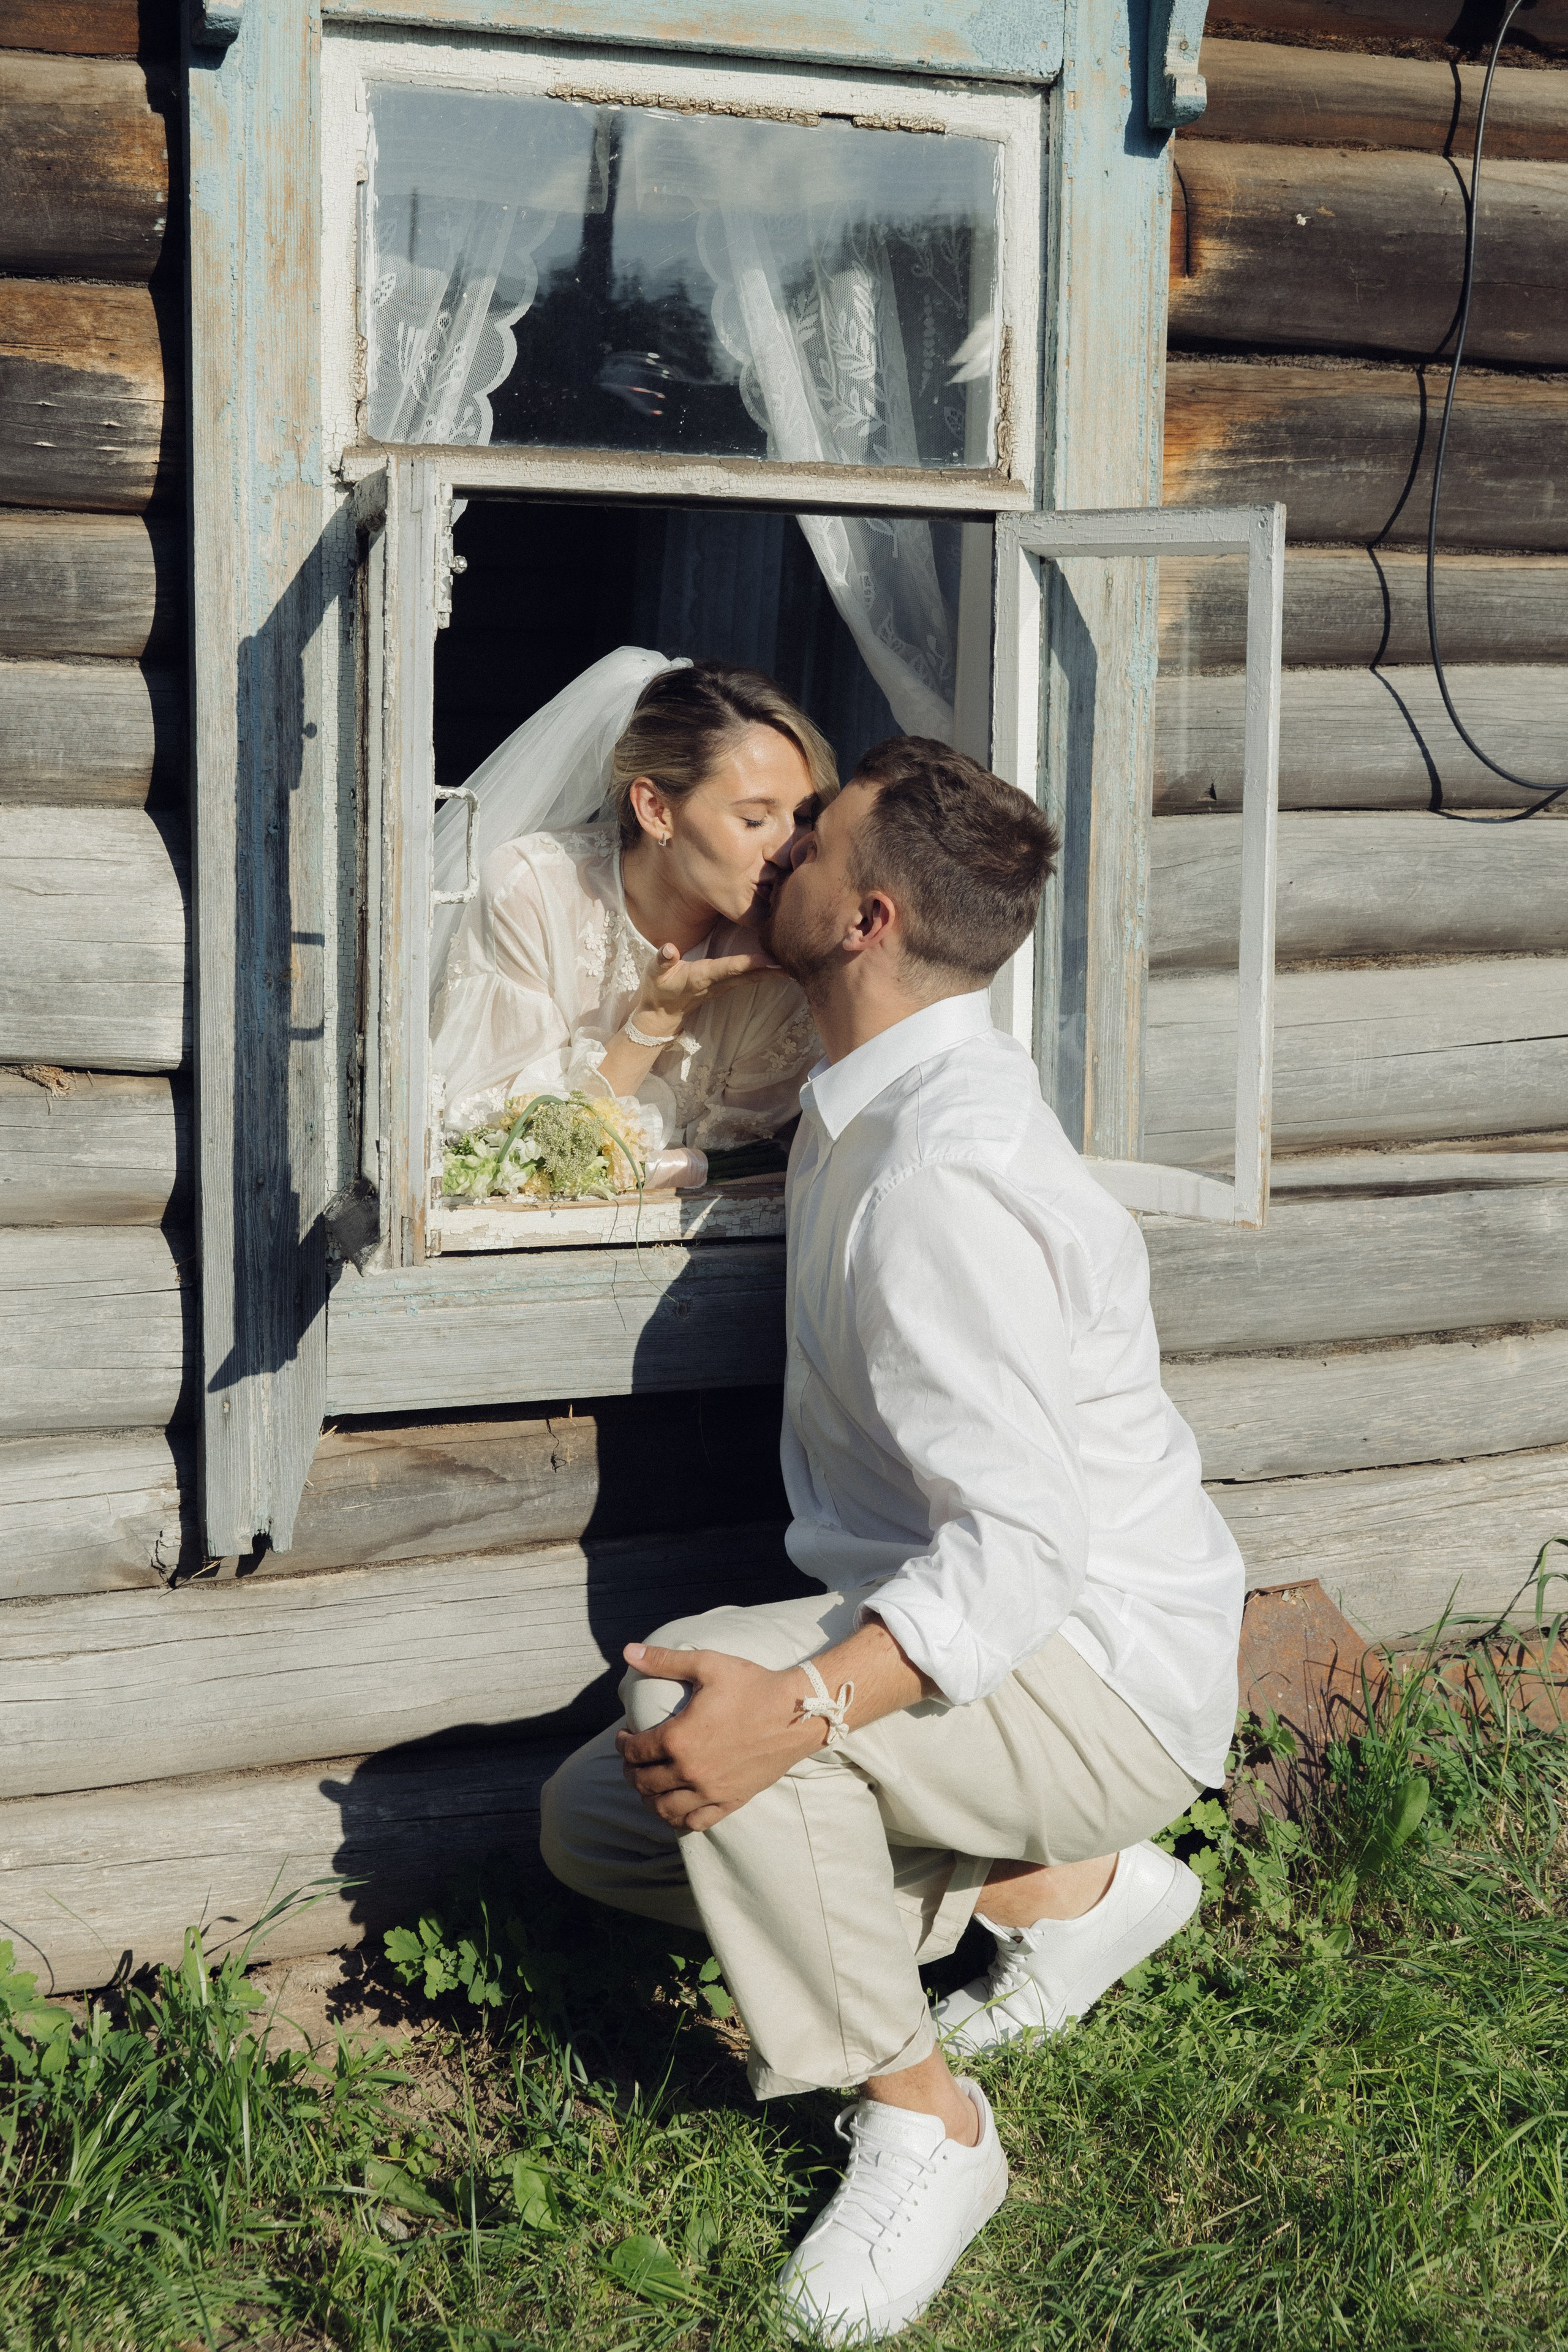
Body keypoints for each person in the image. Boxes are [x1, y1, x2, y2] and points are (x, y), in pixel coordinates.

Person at [540, 737, 1245, 2343]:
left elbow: (1016, 1555)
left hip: (1091, 1670)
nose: (772, 852)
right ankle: (1059, 1892)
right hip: (997, 1648)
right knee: (603, 1819)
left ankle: (927, 2122)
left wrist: (789, 1714)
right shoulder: (867, 1099)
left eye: (806, 844)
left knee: (699, 1719)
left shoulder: (946, 1173)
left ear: (864, 922)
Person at [430, 653, 836, 1150]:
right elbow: (506, 1148)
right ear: (657, 810)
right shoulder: (532, 892)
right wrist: (655, 1020)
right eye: (754, 819)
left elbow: (742, 1169)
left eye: (804, 817)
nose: (787, 849)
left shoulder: (781, 937)